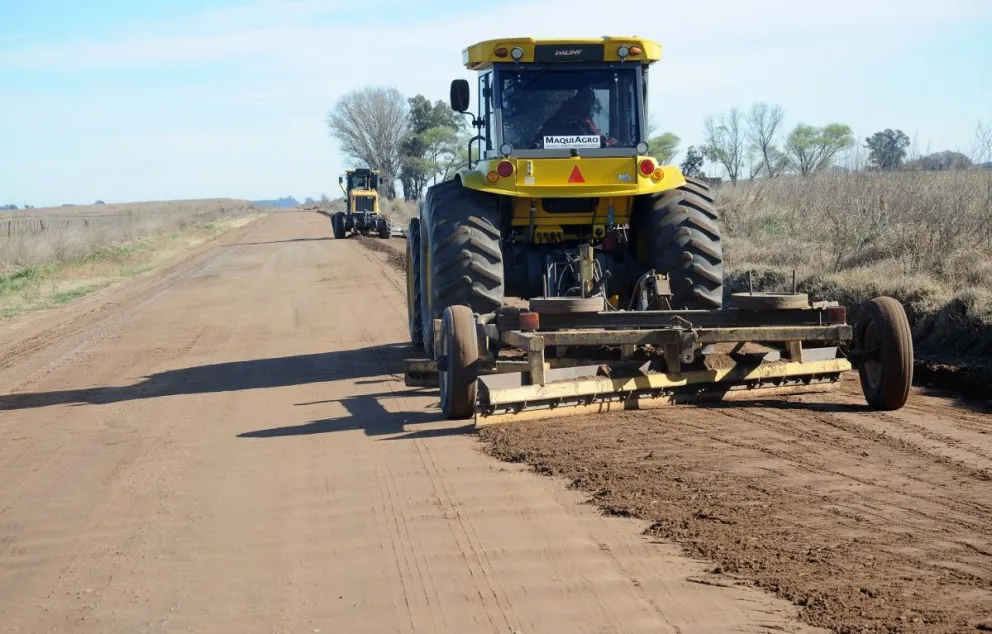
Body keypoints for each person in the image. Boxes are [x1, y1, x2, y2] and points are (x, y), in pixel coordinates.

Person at [538, 87, 615, 145]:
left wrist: (606, 141)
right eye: (588, 101)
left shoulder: (584, 117)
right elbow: (595, 135)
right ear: (581, 99)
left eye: (591, 101)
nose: (589, 105)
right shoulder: (577, 115)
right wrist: (606, 141)